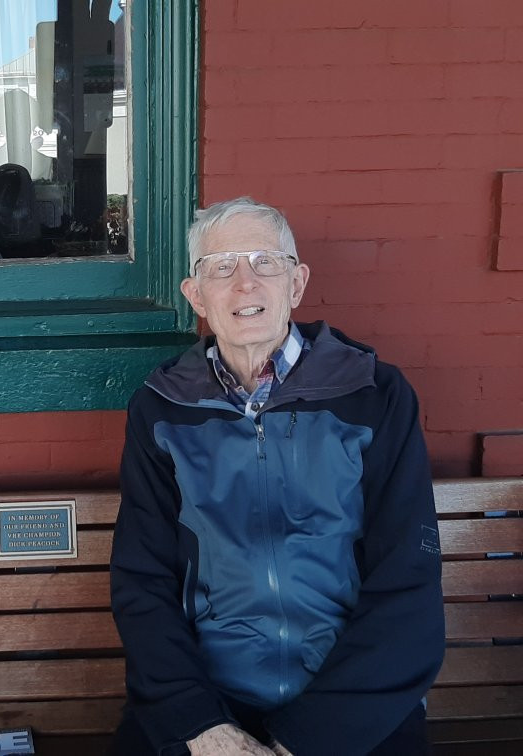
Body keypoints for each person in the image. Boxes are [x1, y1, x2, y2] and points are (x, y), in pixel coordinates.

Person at [109, 197, 445, 756]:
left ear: (296, 282)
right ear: (196, 295)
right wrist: (200, 725)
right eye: (221, 267)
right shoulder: (163, 408)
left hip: (352, 707)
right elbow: (142, 581)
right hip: (209, 702)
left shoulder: (373, 395)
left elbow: (408, 582)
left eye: (265, 261)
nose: (245, 284)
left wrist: (308, 740)